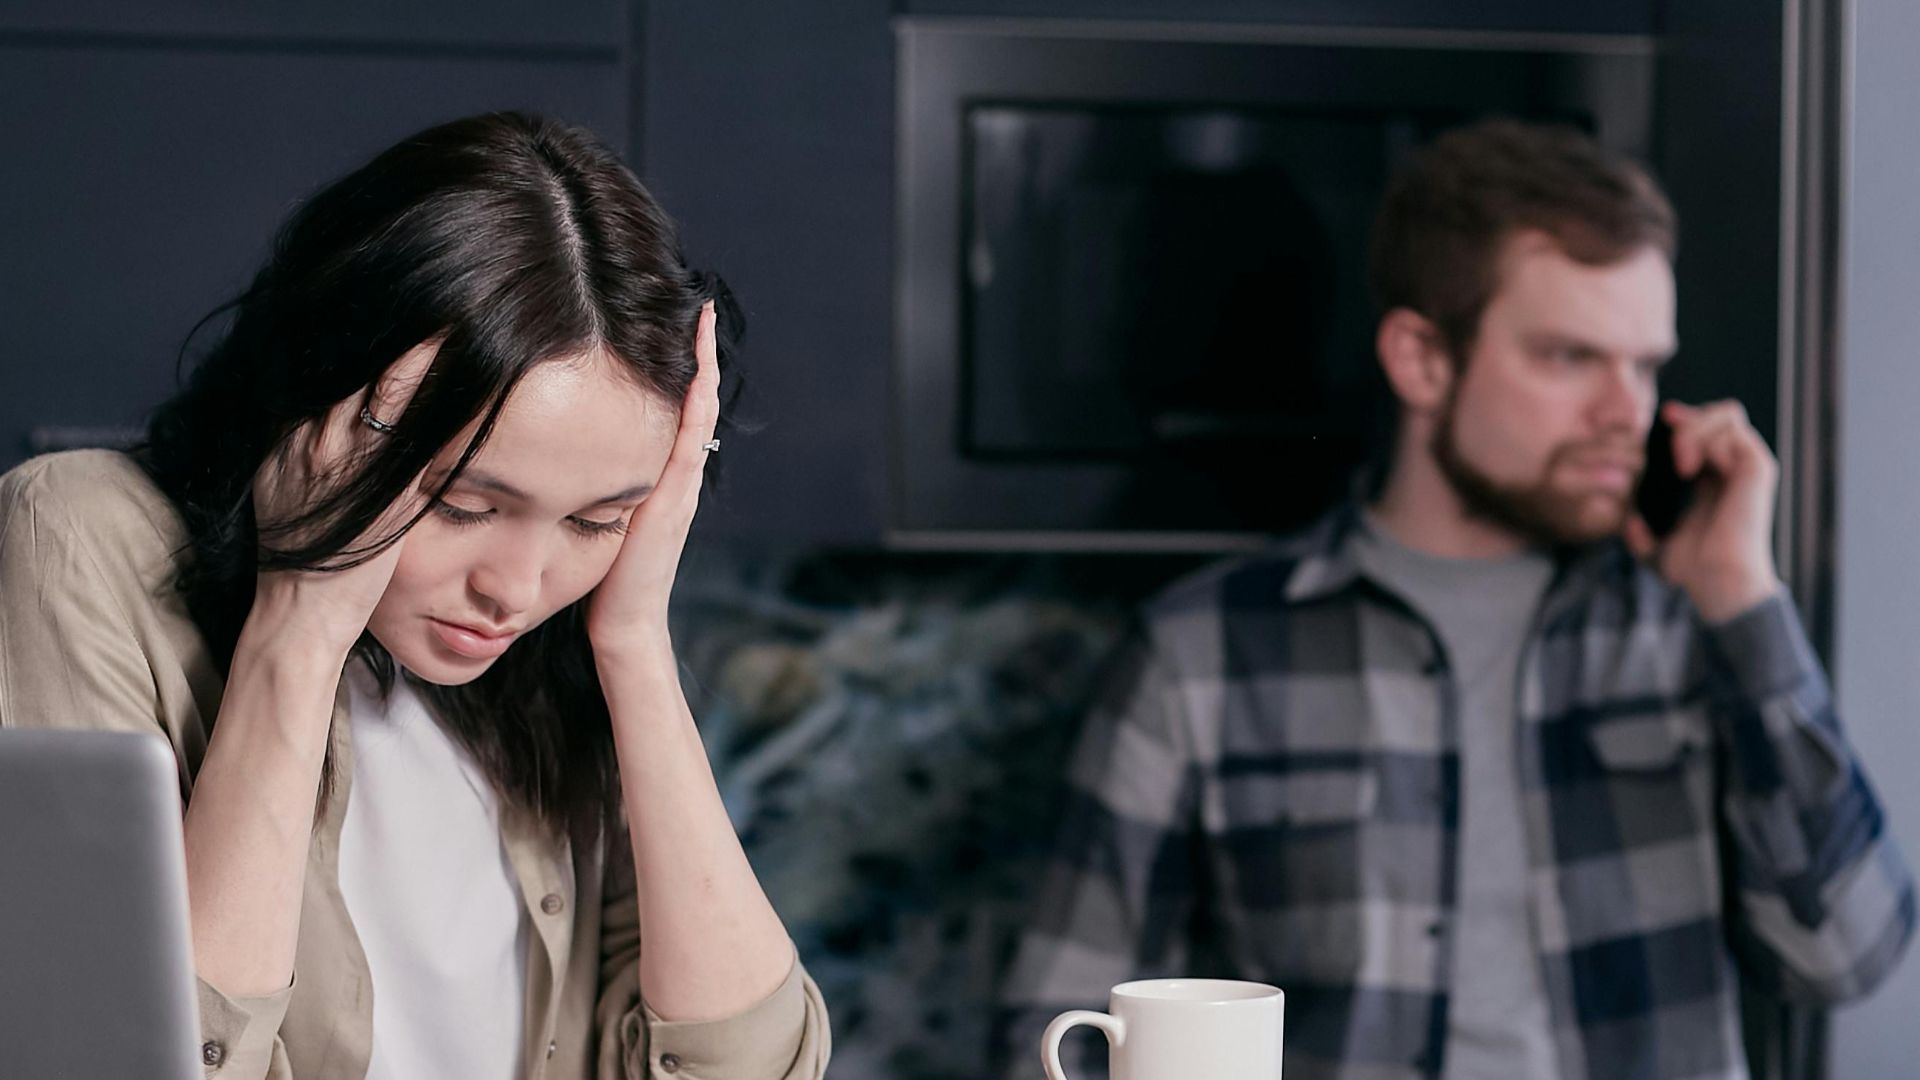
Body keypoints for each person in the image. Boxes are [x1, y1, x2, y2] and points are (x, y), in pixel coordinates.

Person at [997, 120, 1914, 1080]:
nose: (1627, 412)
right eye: (1570, 357)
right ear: (1422, 359)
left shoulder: (1691, 625)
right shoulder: (1199, 659)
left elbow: (1845, 955)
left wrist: (1743, 597)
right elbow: (1051, 1038)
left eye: (1645, 364)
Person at [0, 112, 829, 1080]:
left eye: (596, 521)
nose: (514, 592)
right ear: (324, 412)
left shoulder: (574, 644)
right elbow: (119, 1062)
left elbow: (752, 1069)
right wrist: (300, 628)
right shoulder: (76, 538)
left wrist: (636, 643)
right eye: (466, 502)